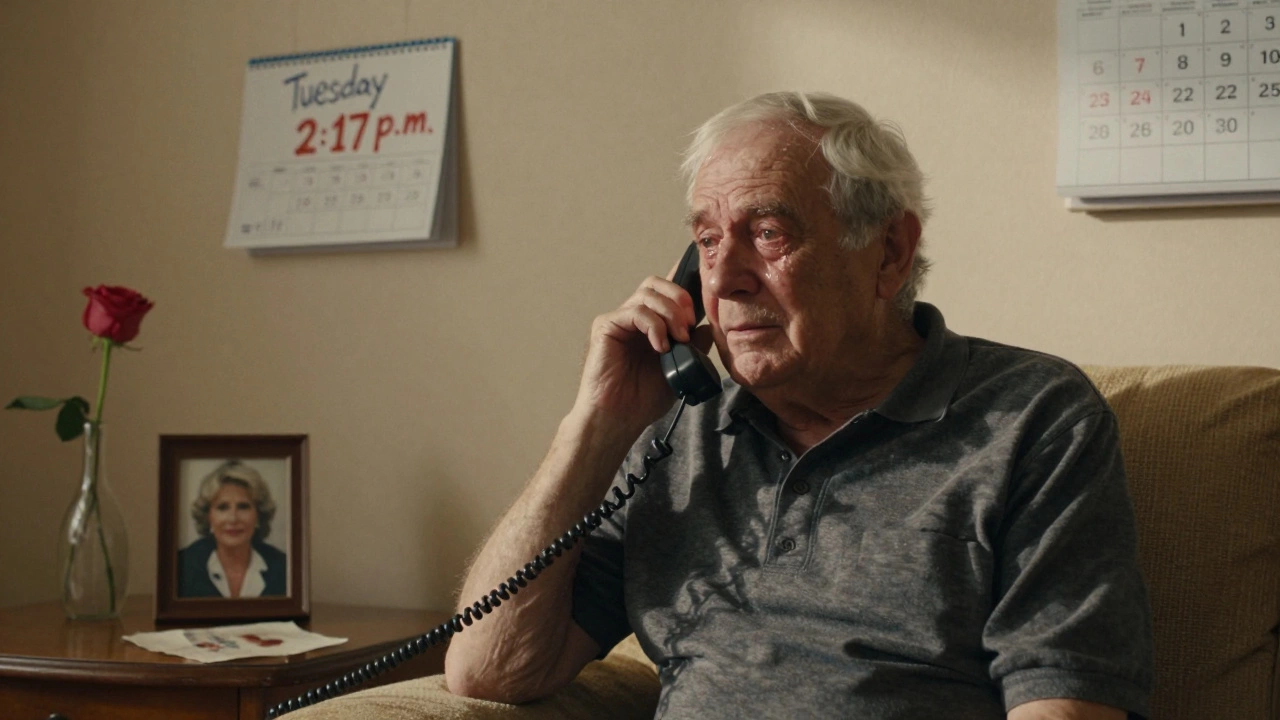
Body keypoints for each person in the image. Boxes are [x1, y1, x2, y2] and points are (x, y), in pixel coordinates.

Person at [444, 92, 1153, 719]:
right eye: (707, 240)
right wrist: (595, 426)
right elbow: (492, 670)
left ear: (889, 253)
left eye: (768, 233)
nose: (724, 278)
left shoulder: (1033, 417)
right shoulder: (679, 434)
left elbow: (1065, 700)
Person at [178, 459, 287, 599]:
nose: (233, 519)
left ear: (259, 515)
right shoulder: (181, 566)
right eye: (222, 507)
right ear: (208, 516)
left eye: (243, 507)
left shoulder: (284, 567)